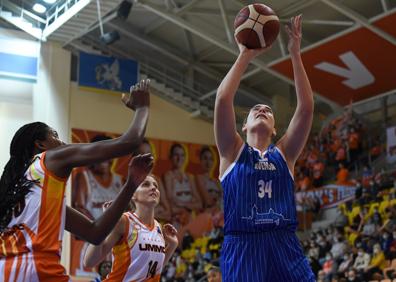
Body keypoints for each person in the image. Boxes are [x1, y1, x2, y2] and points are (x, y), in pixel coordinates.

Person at [0, 79, 151, 280]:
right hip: (36, 269)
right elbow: (130, 141)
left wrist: (131, 184)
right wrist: (143, 108)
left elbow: (94, 233)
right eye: (54, 135)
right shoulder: (50, 158)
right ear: (41, 144)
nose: (62, 141)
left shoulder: (21, 191)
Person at [214, 15, 315, 281]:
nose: (262, 109)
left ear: (274, 130)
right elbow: (223, 98)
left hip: (284, 244)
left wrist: (295, 54)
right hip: (243, 245)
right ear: (244, 126)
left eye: (268, 111)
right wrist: (245, 56)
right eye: (255, 110)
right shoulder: (231, 152)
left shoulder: (284, 154)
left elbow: (305, 109)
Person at [84, 175, 178, 281]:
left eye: (155, 185)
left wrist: (173, 245)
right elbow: (89, 262)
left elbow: (153, 269)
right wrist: (104, 224)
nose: (153, 188)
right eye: (146, 184)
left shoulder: (158, 227)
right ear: (133, 195)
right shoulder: (124, 221)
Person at [164, 143, 202, 215]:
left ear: (185, 157)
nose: (179, 158)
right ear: (171, 157)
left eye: (182, 155)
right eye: (176, 155)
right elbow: (170, 202)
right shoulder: (168, 176)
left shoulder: (190, 177)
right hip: (176, 219)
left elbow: (199, 203)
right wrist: (191, 204)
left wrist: (182, 204)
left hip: (190, 218)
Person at [196, 146, 222, 210]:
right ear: (200, 160)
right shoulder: (199, 178)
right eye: (205, 158)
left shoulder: (216, 181)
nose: (208, 162)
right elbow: (207, 201)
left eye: (211, 159)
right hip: (210, 212)